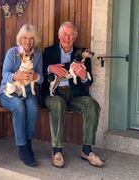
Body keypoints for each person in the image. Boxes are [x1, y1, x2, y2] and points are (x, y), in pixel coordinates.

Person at [41, 21, 103, 168]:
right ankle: (57, 151)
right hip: (54, 93)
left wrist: (83, 75)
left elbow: (89, 81)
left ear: (74, 37)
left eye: (71, 35)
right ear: (59, 36)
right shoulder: (49, 51)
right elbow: (40, 70)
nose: (67, 38)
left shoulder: (82, 53)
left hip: (75, 95)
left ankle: (87, 151)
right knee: (58, 103)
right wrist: (51, 68)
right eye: (65, 34)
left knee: (92, 105)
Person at [0, 24, 43, 167]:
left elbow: (41, 78)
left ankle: (28, 142)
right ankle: (22, 148)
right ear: (20, 38)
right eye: (25, 38)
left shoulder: (38, 55)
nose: (28, 41)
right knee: (19, 106)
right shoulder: (12, 52)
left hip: (27, 92)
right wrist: (15, 76)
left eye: (31, 38)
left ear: (34, 40)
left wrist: (36, 76)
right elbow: (4, 74)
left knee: (32, 107)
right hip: (8, 91)